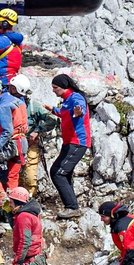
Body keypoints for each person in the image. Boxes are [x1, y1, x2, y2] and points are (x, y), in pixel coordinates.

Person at [48, 74, 90, 218]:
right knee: (65, 173)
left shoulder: (75, 97)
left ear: (64, 87)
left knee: (57, 172)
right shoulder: (66, 100)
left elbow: (80, 108)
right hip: (69, 142)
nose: (53, 90)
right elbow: (65, 113)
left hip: (77, 142)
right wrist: (51, 109)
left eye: (55, 88)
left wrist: (80, 111)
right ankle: (72, 206)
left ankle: (72, 207)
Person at [11, 76, 58, 199]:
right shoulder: (8, 105)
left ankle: (29, 198)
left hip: (30, 144)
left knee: (30, 176)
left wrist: (37, 131)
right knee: (17, 175)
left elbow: (52, 119)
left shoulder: (33, 106)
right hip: (14, 146)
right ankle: (17, 199)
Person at [0, 80, 29, 190]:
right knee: (13, 176)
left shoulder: (2, 106)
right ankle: (13, 204)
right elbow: (17, 124)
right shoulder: (18, 101)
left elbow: (8, 131)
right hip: (21, 143)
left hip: (11, 145)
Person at [7, 187, 44, 265]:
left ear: (17, 203)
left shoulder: (24, 217)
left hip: (30, 258)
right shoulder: (30, 212)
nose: (9, 205)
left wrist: (17, 263)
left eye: (11, 202)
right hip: (33, 255)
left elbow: (25, 241)